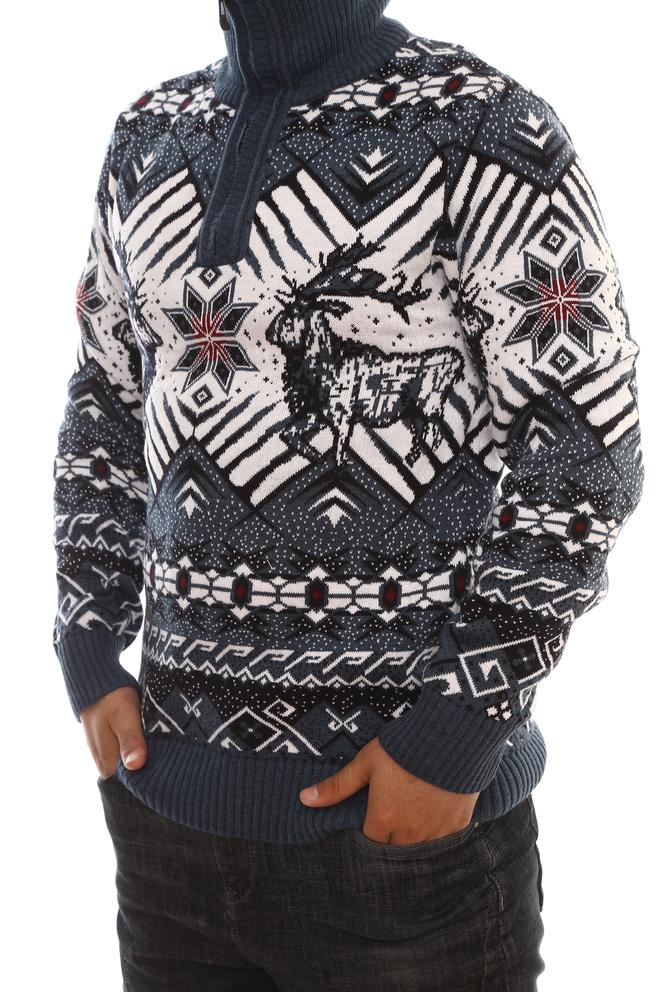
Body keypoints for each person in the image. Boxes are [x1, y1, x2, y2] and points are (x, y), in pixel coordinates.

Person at [51, 1, 645, 989]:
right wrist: (85, 638)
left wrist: (456, 732)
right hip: (166, 829)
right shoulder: (147, 135)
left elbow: (586, 443)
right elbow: (105, 402)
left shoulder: (484, 125)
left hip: (405, 850)